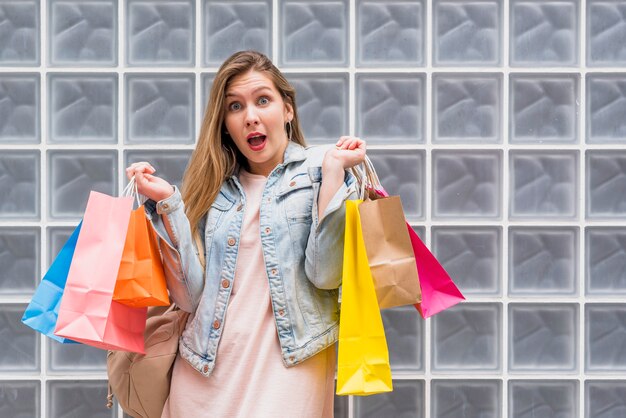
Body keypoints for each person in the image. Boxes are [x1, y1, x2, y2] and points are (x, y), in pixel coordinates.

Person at [125, 50, 366, 417]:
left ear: (287, 110)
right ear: (224, 123)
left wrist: (333, 173)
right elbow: (189, 298)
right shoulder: (214, 189)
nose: (250, 117)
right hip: (206, 373)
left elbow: (326, 275)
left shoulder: (322, 169)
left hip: (291, 371)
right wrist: (169, 203)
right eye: (235, 107)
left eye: (263, 100)